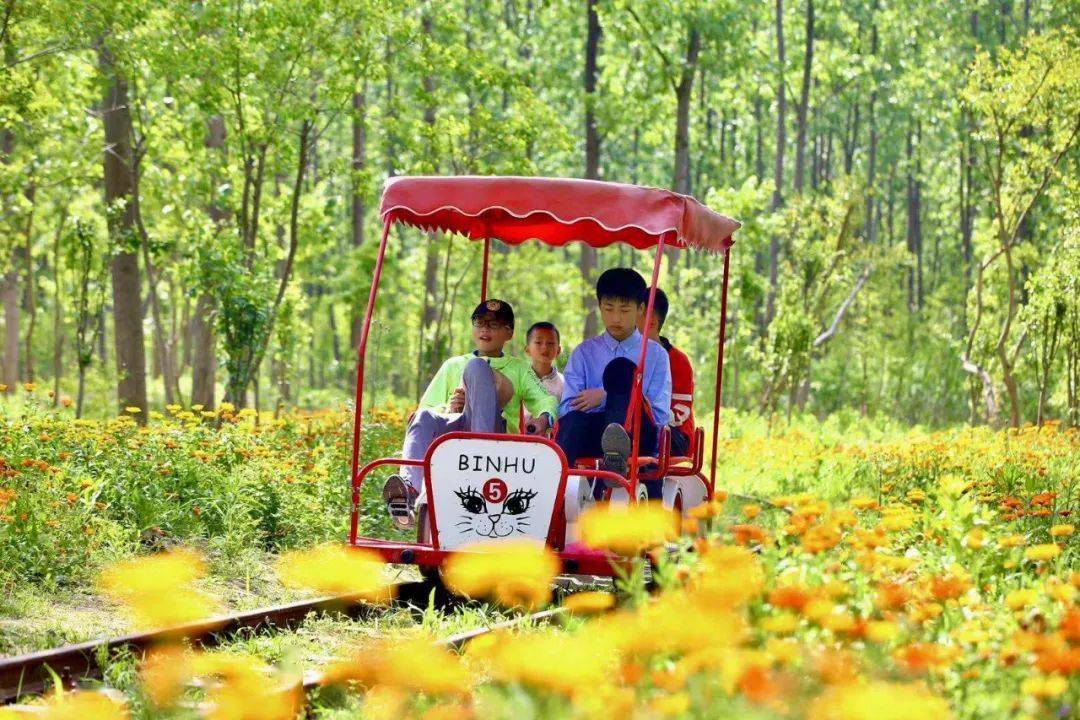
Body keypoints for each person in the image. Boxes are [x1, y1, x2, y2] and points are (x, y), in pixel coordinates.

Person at [382, 299, 558, 528]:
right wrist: (451, 408)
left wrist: (545, 418)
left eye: (494, 325)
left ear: (509, 333)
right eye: (480, 322)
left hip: (498, 442)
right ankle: (408, 490)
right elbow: (429, 407)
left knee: (477, 368)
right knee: (422, 417)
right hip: (456, 433)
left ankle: (479, 467)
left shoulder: (519, 368)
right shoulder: (453, 365)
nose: (485, 329)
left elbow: (547, 399)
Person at [555, 268, 671, 485]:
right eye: (609, 309)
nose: (616, 318)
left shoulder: (656, 355)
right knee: (571, 423)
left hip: (637, 434)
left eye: (625, 310)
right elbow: (568, 408)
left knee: (622, 370)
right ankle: (554, 490)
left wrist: (608, 397)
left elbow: (659, 415)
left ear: (641, 309)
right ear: (600, 307)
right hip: (595, 432)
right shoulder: (584, 352)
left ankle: (616, 458)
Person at [638, 289, 695, 457]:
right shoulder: (626, 354)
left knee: (643, 435)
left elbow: (681, 411)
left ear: (652, 322)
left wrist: (646, 411)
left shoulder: (678, 361)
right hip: (639, 428)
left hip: (673, 433)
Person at [523, 321, 564, 431]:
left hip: (551, 445)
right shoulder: (519, 380)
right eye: (538, 342)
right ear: (527, 349)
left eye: (550, 343)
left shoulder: (564, 384)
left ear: (558, 350)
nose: (545, 347)